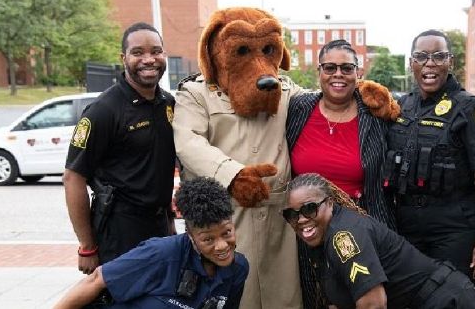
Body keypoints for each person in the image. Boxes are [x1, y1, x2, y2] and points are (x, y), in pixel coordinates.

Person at [384, 29, 475, 283]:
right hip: (407, 228)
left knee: (451, 297)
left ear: (451, 62)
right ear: (411, 63)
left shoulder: (470, 108)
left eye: (439, 56)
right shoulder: (401, 106)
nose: (430, 63)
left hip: (454, 228)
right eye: (421, 56)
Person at [286, 39, 396, 308]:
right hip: (308, 231)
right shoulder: (297, 109)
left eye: (347, 68)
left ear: (358, 73)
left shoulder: (375, 115)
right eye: (330, 67)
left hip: (360, 234)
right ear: (319, 72)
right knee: (317, 299)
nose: (338, 74)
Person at [63, 22, 176, 275]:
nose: (149, 59)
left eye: (156, 51)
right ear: (123, 58)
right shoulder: (104, 110)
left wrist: (168, 221)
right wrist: (87, 247)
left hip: (159, 226)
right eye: (138, 53)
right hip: (119, 231)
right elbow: (73, 178)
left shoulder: (168, 103)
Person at [284, 173, 475, 309]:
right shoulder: (320, 237)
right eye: (291, 214)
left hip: (444, 300)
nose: (301, 219)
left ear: (329, 203)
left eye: (309, 209)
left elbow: (374, 304)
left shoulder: (344, 237)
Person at [54, 177, 249, 308]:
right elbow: (95, 280)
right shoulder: (160, 254)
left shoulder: (238, 268)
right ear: (190, 235)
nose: (222, 245)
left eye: (227, 232)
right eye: (208, 239)